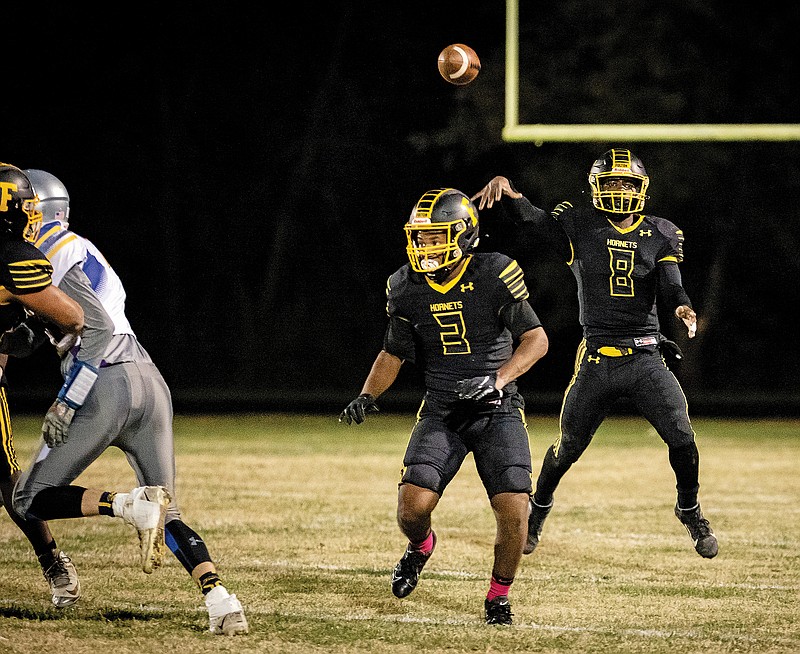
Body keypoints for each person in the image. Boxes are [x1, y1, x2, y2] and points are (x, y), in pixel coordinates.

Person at [9, 169, 248, 636]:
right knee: (169, 510)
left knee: (28, 498)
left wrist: (67, 399)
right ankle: (221, 600)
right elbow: (61, 324)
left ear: (35, 211)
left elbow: (92, 327)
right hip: (148, 379)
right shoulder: (81, 246)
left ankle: (124, 504)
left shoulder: (44, 252)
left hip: (102, 383)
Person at [471, 148, 718, 560]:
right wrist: (512, 195)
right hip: (598, 360)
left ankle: (689, 508)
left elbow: (672, 284)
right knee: (568, 447)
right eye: (612, 182)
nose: (619, 190)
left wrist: (682, 306)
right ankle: (538, 511)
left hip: (644, 357)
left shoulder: (661, 232)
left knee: (683, 439)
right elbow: (535, 221)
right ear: (596, 188)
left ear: (641, 188)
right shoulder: (579, 222)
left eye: (626, 182)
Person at [339, 188, 549, 625]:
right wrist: (367, 395)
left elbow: (536, 340)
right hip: (442, 411)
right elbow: (392, 353)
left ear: (464, 234)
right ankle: (420, 547)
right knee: (412, 508)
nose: (426, 246)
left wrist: (497, 379)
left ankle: (498, 597)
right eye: (421, 237)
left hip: (496, 409)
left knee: (515, 510)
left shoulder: (494, 272)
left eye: (436, 237)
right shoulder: (406, 286)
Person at [0, 162, 85, 607]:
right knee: (10, 483)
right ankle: (53, 562)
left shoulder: (12, 256)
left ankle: (53, 562)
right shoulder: (15, 255)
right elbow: (73, 317)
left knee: (7, 481)